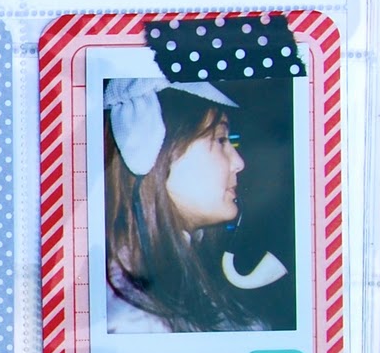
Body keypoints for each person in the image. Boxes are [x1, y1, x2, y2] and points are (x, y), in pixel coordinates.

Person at [103, 74, 273, 333]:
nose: (239, 163)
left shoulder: (187, 281)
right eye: (220, 140)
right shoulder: (133, 321)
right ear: (156, 151)